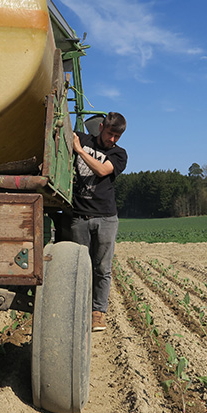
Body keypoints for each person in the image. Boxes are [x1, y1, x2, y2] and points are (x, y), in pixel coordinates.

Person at [69, 112, 127, 332]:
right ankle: (78, 308)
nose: (113, 140)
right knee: (79, 266)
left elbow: (103, 170)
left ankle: (98, 313)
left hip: (106, 218)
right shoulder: (82, 138)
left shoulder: (119, 154)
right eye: (110, 134)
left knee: (102, 268)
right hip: (79, 216)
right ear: (101, 127)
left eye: (117, 136)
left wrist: (80, 152)